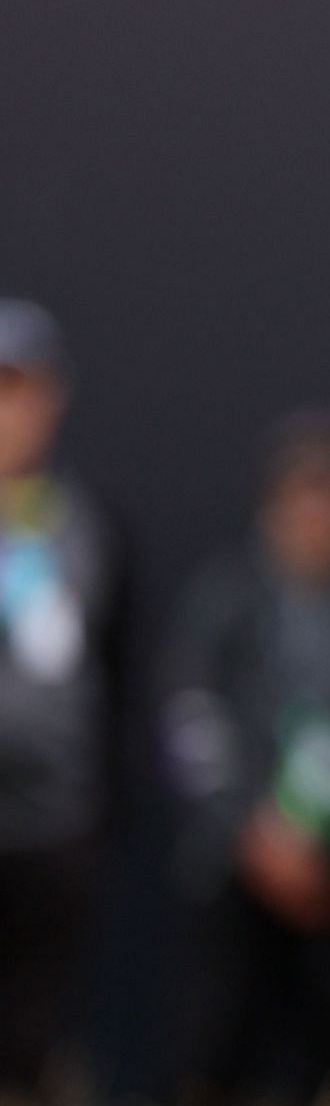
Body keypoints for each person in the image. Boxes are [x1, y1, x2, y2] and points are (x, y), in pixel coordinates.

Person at [159, 410, 330, 1104]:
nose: (317, 519)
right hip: (233, 863)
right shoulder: (221, 600)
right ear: (271, 511)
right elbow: (186, 727)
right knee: (211, 1037)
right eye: (302, 499)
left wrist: (324, 843)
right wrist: (252, 834)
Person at [0, 299, 130, 1102]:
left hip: (57, 835)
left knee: (37, 1041)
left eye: (23, 389)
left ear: (54, 397)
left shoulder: (91, 527)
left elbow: (116, 669)